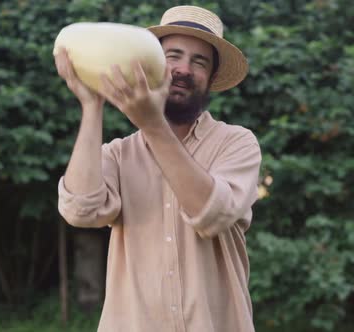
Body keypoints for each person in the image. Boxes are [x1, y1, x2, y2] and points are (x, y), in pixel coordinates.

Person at [55, 5, 261, 332]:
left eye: (199, 62)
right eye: (173, 56)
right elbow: (81, 211)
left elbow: (212, 214)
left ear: (210, 80)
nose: (183, 69)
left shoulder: (236, 143)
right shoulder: (119, 153)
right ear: (150, 65)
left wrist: (152, 125)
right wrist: (92, 105)